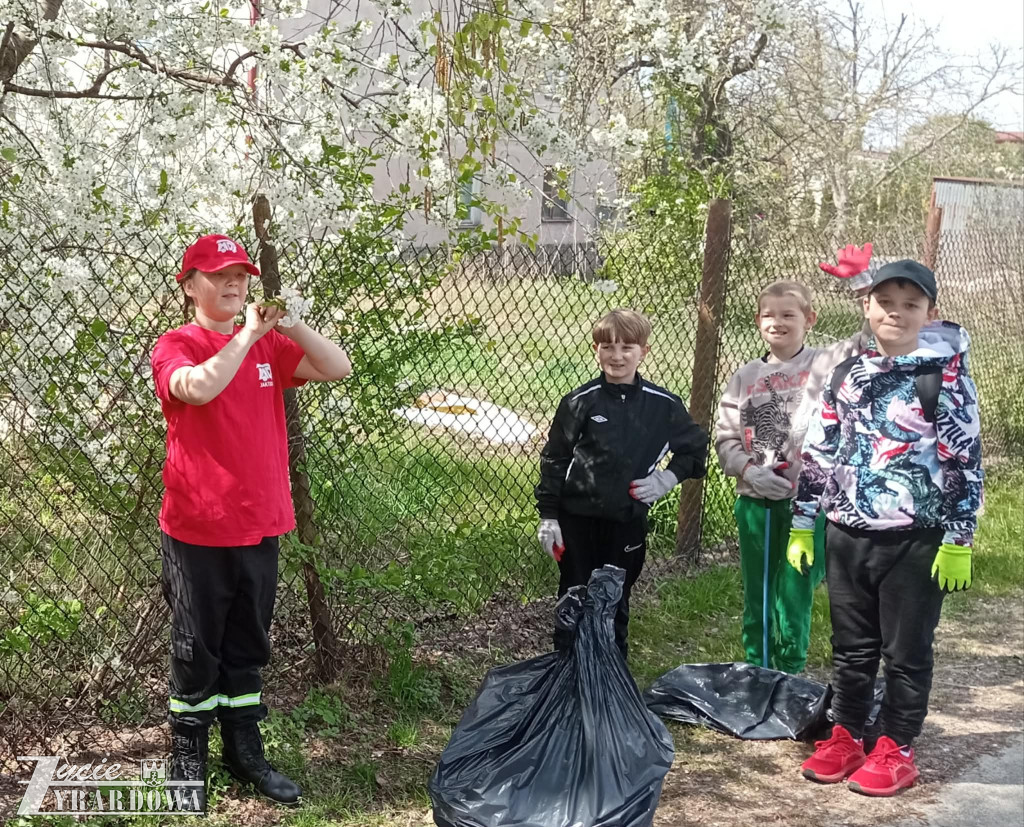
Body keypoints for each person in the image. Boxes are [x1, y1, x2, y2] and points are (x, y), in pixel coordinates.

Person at [150, 234, 351, 809]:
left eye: (240, 274)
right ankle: (186, 757)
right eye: (218, 276)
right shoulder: (177, 344)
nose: (235, 284)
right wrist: (246, 335)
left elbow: (338, 366)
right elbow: (199, 386)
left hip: (261, 522)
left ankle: (244, 750)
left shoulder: (265, 346)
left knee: (247, 643)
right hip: (199, 527)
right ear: (190, 286)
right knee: (196, 647)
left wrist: (286, 326)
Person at [788, 260, 983, 796]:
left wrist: (958, 538)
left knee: (906, 651)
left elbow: (964, 460)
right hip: (846, 530)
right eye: (885, 302)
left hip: (916, 540)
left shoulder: (943, 375)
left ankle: (896, 746)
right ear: (867, 306)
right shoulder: (846, 372)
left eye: (910, 304)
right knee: (851, 647)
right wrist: (804, 524)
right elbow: (821, 449)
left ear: (930, 313)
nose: (896, 312)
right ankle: (847, 733)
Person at [715, 244, 873, 673]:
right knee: (759, 590)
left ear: (809, 320)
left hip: (807, 504)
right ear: (758, 322)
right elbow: (725, 437)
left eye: (789, 314)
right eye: (770, 315)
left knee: (795, 588)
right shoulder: (746, 376)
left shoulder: (825, 363)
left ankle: (789, 670)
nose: (779, 322)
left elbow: (873, 337)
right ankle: (758, 669)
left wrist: (863, 284)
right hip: (755, 502)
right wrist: (748, 470)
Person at [534, 309, 708, 658]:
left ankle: (612, 680)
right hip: (576, 520)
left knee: (615, 599)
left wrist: (667, 479)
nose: (617, 356)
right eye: (608, 347)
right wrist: (549, 516)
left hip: (626, 522)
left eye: (627, 347)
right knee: (573, 597)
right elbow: (555, 459)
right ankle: (567, 676)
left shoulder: (663, 405)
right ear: (595, 350)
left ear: (644, 352)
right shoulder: (578, 402)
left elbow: (695, 450)